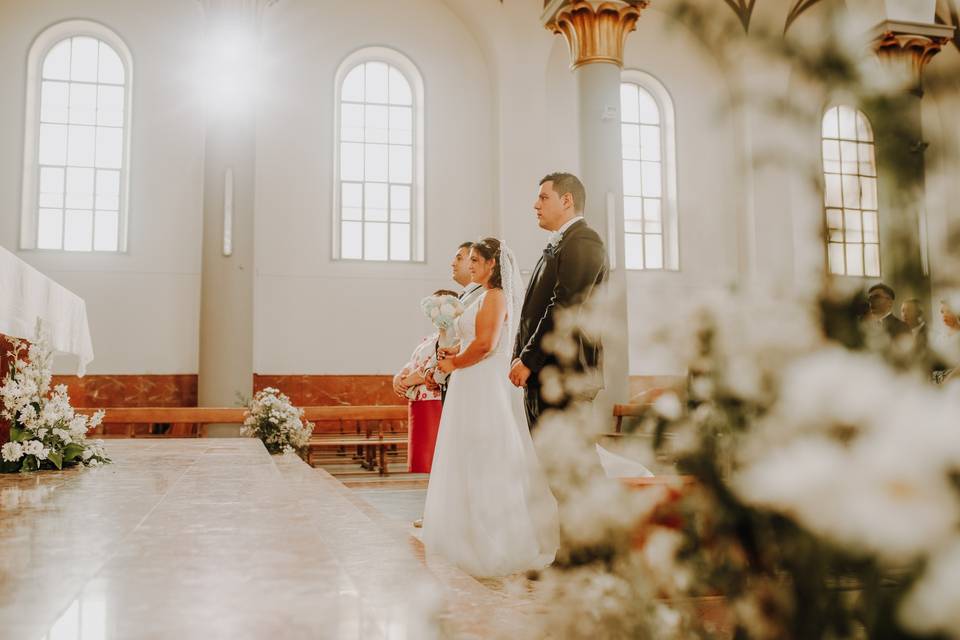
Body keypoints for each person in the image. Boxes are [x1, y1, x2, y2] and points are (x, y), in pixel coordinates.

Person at [422, 238, 559, 577]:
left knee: (487, 457)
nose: (470, 265)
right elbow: (471, 341)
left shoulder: (496, 297)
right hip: (470, 382)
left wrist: (454, 365)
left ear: (491, 265)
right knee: (467, 455)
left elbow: (486, 344)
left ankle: (497, 543)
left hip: (483, 382)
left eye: (475, 260)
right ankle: (464, 535)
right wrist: (452, 353)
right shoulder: (481, 296)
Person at [509, 172, 608, 430]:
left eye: (543, 197)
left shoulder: (585, 241)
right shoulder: (558, 245)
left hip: (565, 373)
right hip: (544, 372)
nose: (535, 205)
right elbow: (531, 310)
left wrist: (528, 358)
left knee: (572, 464)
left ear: (566, 200)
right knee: (551, 464)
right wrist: (519, 356)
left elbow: (565, 306)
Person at [392, 289, 460, 475]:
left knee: (436, 461)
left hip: (434, 400)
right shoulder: (429, 338)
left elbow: (432, 367)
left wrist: (405, 382)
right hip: (419, 401)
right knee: (423, 463)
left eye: (439, 307)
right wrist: (398, 377)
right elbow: (413, 361)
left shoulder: (453, 338)